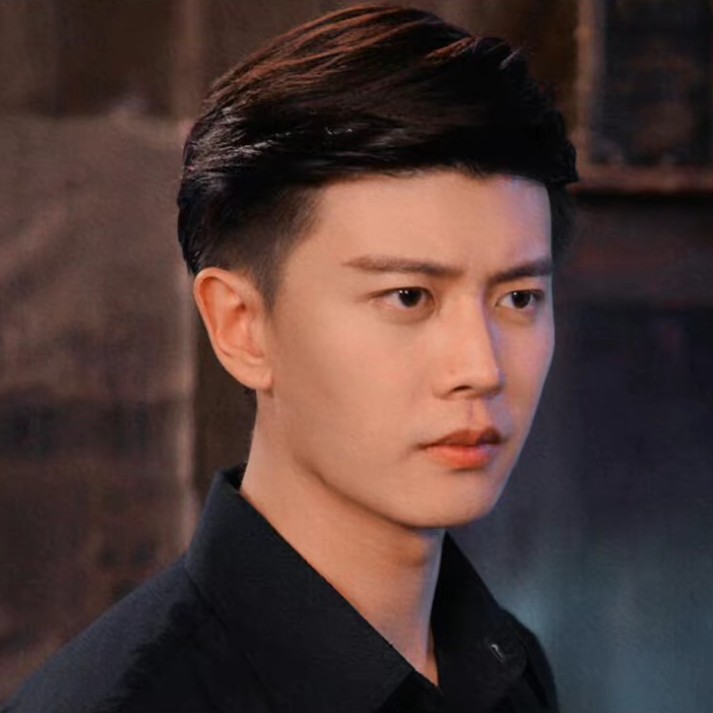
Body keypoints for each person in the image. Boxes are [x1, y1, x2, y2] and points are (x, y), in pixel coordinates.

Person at [3, 3, 577, 712]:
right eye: (408, 296)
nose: (482, 368)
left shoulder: (506, 666)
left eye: (518, 298)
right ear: (241, 326)